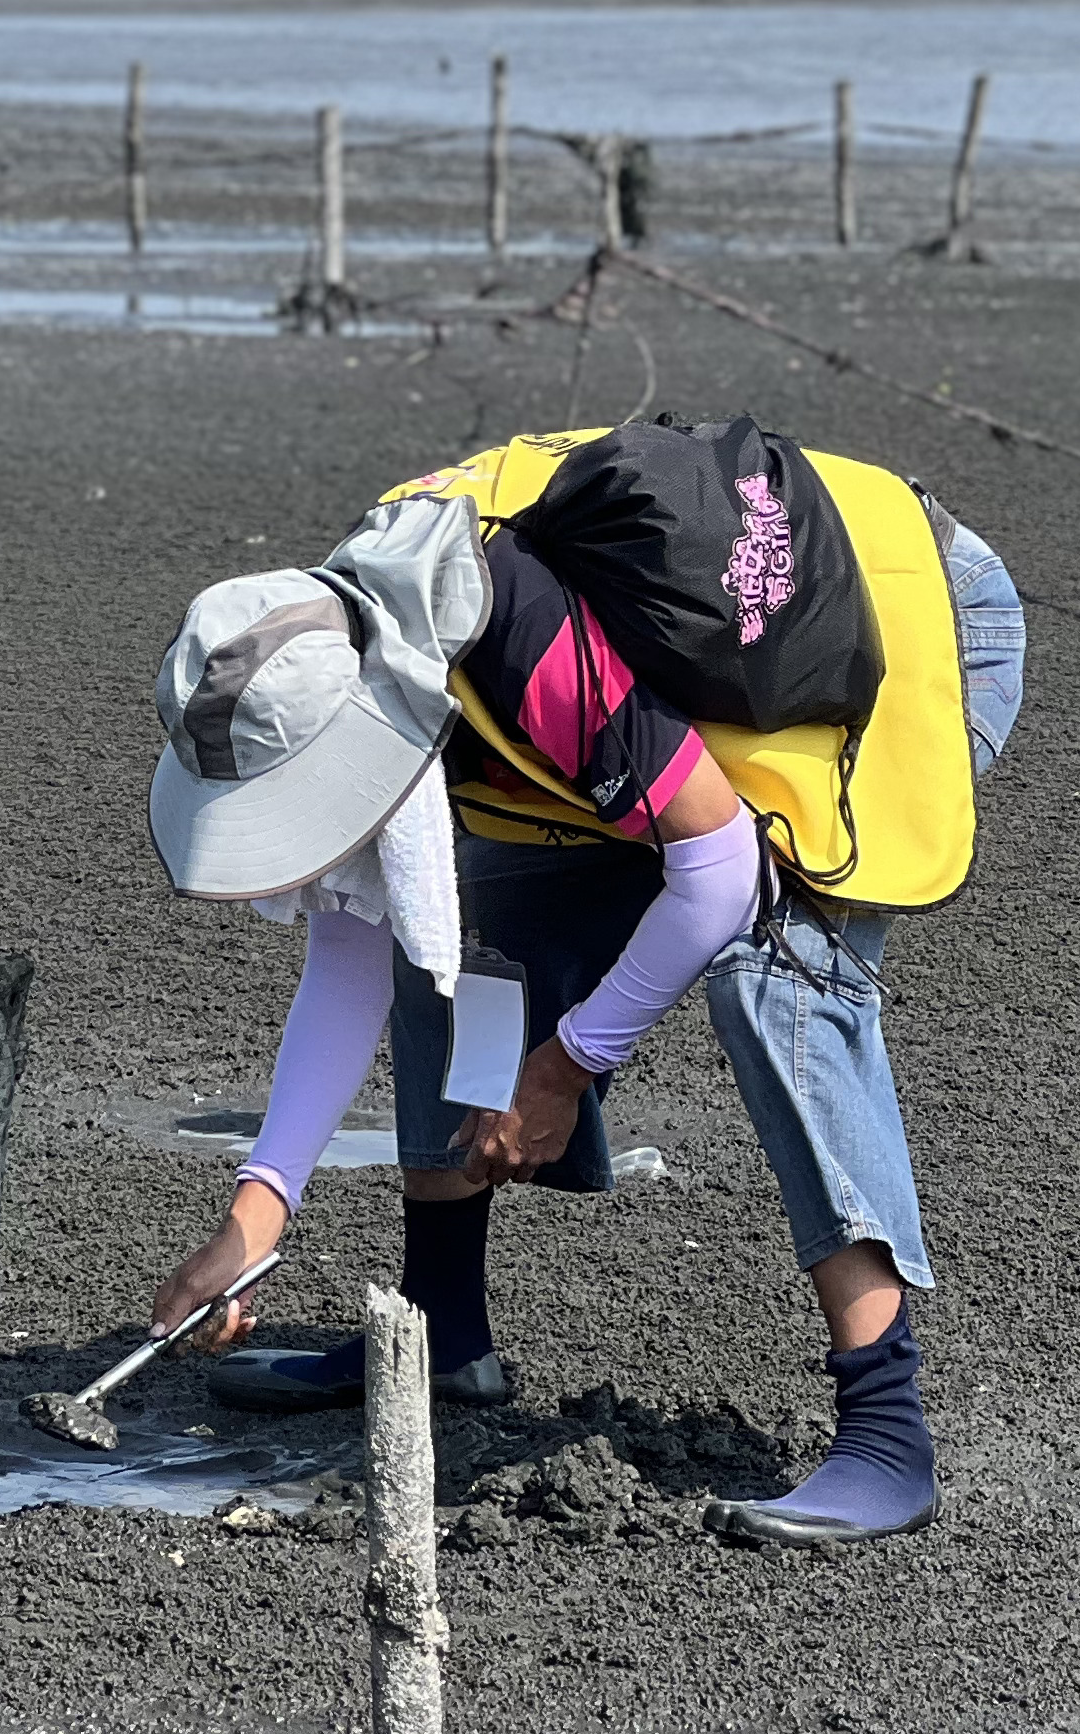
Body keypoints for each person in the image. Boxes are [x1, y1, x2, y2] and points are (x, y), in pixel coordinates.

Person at [141, 418, 1021, 1547]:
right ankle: (442, 1330)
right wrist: (252, 1218)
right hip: (686, 685)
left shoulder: (510, 641)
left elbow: (715, 874)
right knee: (465, 924)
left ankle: (887, 1435)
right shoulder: (344, 640)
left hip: (913, 622)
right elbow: (361, 942)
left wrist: (564, 1065)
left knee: (774, 961)